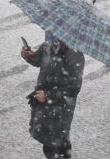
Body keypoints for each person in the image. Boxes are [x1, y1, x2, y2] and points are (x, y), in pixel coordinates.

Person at [21, 31, 85, 159]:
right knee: (52, 142)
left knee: (55, 143)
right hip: (46, 104)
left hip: (60, 106)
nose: (48, 32)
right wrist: (29, 56)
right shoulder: (50, 44)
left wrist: (48, 95)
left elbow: (74, 87)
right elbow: (40, 60)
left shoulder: (74, 53)